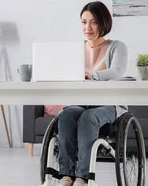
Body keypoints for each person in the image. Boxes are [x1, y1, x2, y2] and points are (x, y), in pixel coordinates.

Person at [57, 1, 128, 186]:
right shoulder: (76, 49)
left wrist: (92, 75)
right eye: (84, 22)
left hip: (109, 104)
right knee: (65, 116)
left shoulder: (117, 46)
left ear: (104, 23)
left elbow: (118, 70)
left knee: (89, 117)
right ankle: (65, 174)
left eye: (94, 22)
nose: (87, 27)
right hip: (81, 102)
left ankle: (82, 177)